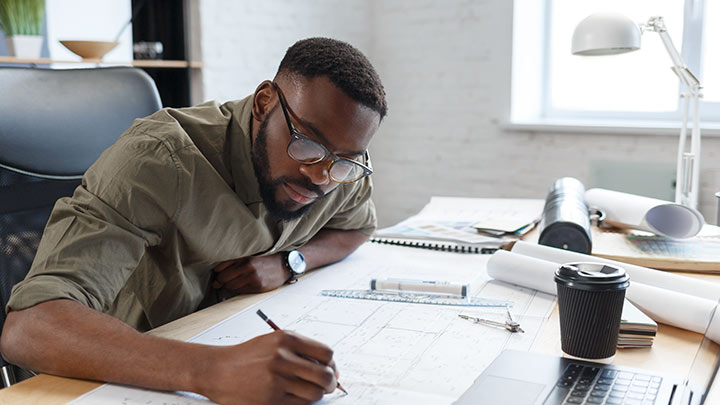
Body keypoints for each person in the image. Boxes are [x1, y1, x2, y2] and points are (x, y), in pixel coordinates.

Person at [0, 37, 387, 405]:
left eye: (343, 160)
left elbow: (356, 227)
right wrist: (213, 371)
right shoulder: (158, 160)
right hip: (96, 381)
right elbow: (30, 327)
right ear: (264, 103)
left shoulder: (341, 169)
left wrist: (290, 262)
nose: (320, 176)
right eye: (307, 144)